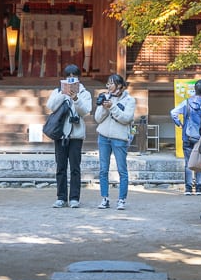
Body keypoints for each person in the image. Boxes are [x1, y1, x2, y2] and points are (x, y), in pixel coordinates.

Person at [45, 64, 93, 208]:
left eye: (74, 76)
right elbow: (51, 106)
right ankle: (61, 197)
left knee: (75, 168)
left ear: (79, 77)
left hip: (76, 135)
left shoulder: (85, 93)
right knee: (60, 167)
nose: (71, 79)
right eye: (69, 76)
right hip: (61, 134)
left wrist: (76, 98)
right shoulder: (58, 91)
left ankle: (74, 198)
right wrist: (63, 94)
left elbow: (85, 111)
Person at [94, 73, 136, 210]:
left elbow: (126, 118)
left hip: (119, 138)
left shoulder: (129, 100)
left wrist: (112, 107)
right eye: (108, 84)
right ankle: (104, 198)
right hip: (103, 136)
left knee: (122, 170)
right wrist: (105, 107)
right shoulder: (105, 97)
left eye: (111, 83)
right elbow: (97, 118)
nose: (109, 86)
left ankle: (121, 199)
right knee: (103, 169)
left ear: (119, 86)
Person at [170, 79, 201, 196]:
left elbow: (173, 112)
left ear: (194, 90)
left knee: (188, 162)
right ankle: (198, 187)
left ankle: (187, 188)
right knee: (200, 160)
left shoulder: (186, 102)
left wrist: (179, 123)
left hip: (187, 136)